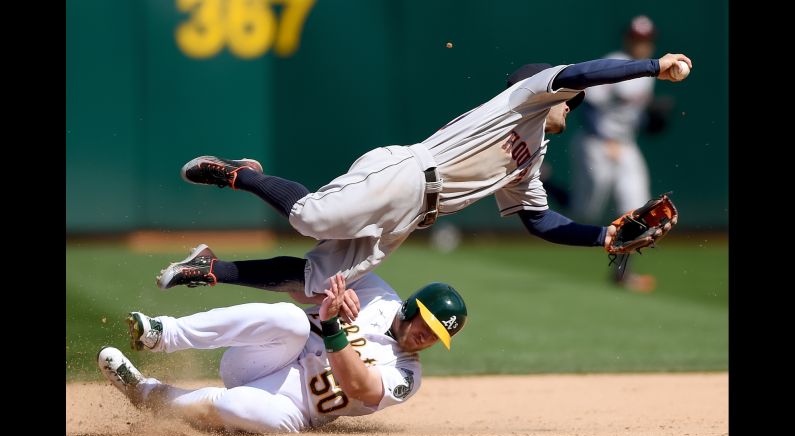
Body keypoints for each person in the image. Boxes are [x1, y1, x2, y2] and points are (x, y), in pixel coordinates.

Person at [157, 51, 689, 298]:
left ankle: (212, 269)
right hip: (406, 173)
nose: (572, 105)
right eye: (567, 100)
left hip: (414, 214)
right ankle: (242, 175)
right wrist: (651, 67)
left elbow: (538, 221)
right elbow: (580, 74)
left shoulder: (532, 153)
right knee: (313, 217)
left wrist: (604, 236)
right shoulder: (523, 96)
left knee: (320, 283)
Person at [97, 272, 468, 433]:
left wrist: (333, 324)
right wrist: (325, 292)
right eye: (428, 324)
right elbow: (302, 279)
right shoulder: (376, 292)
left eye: (437, 336)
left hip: (294, 409)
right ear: (411, 307)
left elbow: (360, 388)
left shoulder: (407, 375)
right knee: (292, 319)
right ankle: (164, 333)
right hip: (265, 357)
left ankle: (145, 393)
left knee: (230, 407)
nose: (426, 337)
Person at [568, 15, 667, 292]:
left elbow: (632, 118)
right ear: (628, 39)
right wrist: (603, 137)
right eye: (637, 39)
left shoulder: (650, 73)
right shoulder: (615, 64)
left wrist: (652, 122)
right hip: (596, 143)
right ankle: (548, 182)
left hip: (625, 146)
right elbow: (586, 103)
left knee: (636, 209)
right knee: (585, 211)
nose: (642, 45)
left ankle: (623, 275)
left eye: (646, 40)